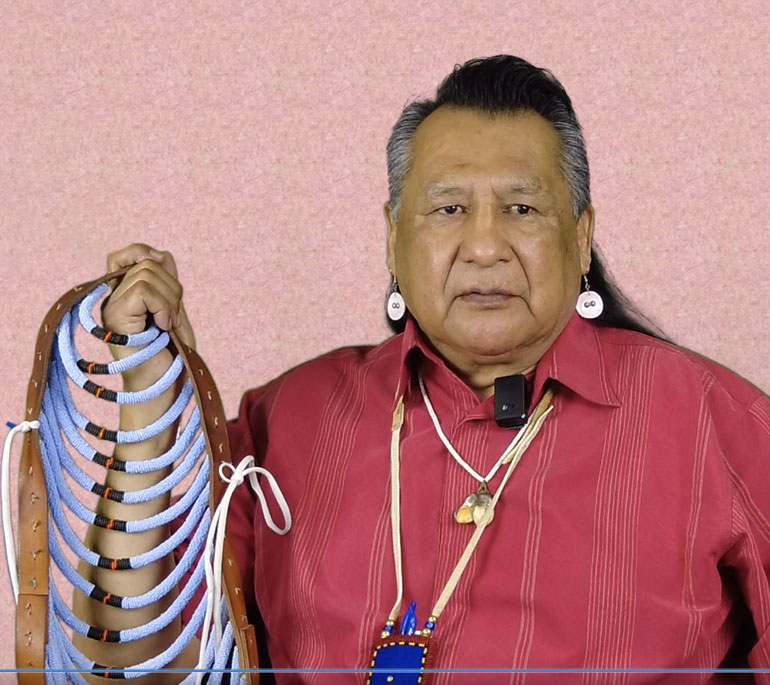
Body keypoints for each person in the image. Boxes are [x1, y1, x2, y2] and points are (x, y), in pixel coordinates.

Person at [73, 55, 770, 683]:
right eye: (449, 208)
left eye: (522, 208)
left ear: (581, 237)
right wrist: (148, 409)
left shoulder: (714, 420)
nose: (485, 244)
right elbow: (128, 661)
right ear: (393, 236)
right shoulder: (292, 417)